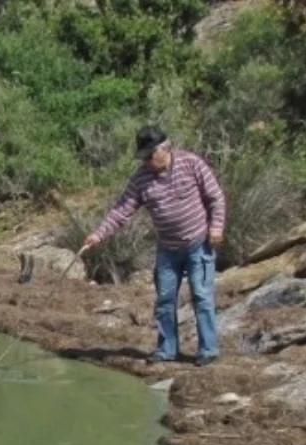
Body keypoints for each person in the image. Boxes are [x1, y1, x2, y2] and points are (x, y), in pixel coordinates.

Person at [80, 126, 226, 366]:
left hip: (198, 242)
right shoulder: (141, 178)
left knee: (201, 295)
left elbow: (216, 197)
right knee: (165, 299)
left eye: (150, 156)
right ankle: (167, 350)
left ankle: (208, 350)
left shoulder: (192, 164)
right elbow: (121, 210)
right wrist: (98, 234)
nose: (147, 161)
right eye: (143, 157)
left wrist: (216, 227)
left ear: (164, 149)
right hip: (168, 249)